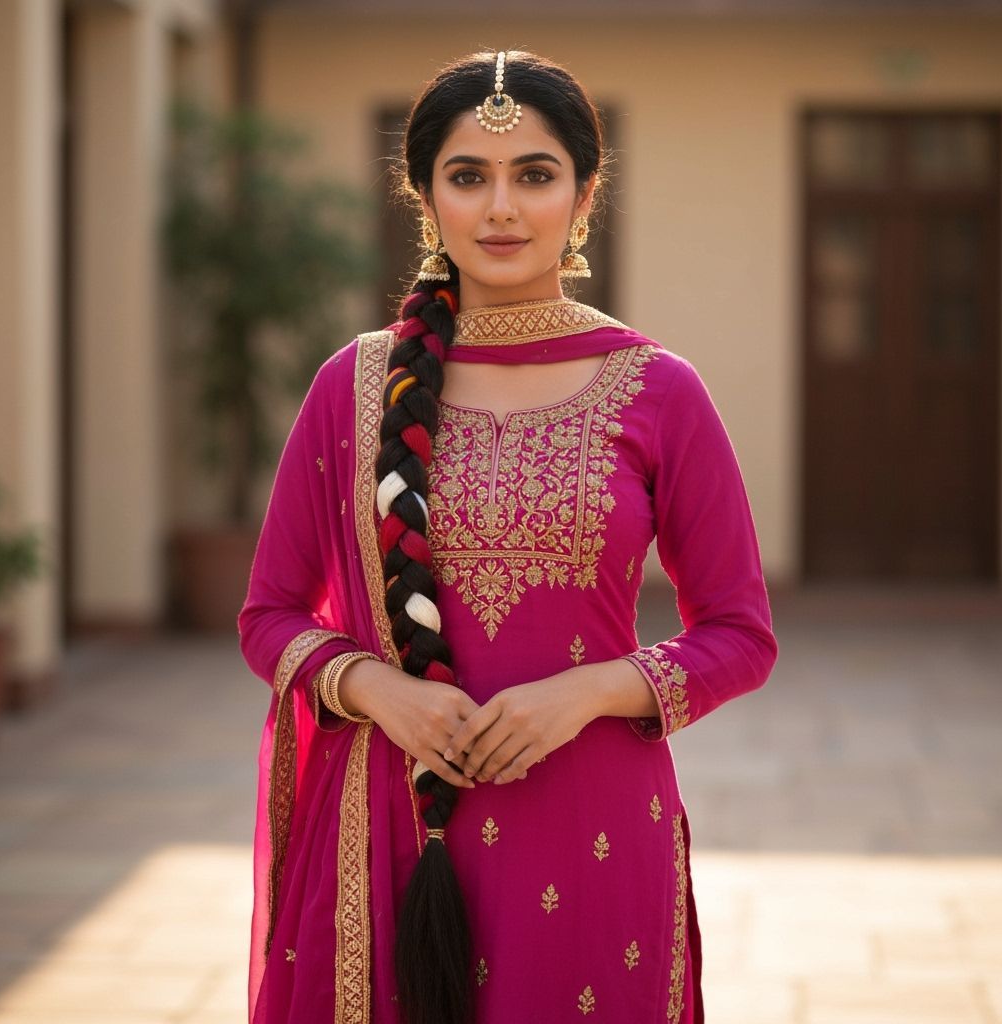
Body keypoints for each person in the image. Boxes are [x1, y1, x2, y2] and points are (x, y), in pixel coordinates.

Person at [237, 48, 778, 1024]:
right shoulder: (351, 390)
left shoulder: (660, 390)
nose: (500, 208)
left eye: (533, 174)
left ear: (583, 195)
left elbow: (739, 634)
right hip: (386, 823)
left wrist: (587, 691)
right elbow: (268, 615)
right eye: (466, 176)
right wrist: (380, 691)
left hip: (592, 819)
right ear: (423, 197)